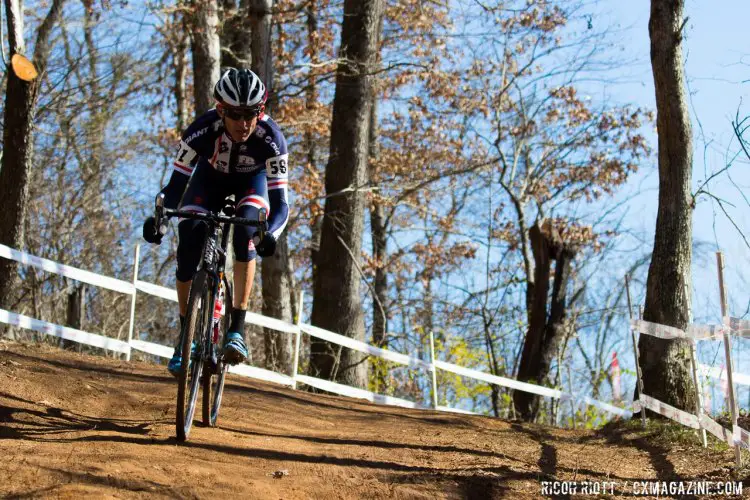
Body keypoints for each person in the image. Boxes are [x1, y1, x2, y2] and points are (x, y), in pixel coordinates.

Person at [142, 68, 290, 376]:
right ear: (221, 110)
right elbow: (174, 188)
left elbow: (280, 205)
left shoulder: (272, 139)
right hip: (207, 183)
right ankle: (186, 335)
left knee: (248, 231)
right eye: (236, 114)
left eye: (252, 113)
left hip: (252, 184)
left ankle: (237, 328)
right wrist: (160, 220)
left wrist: (269, 234)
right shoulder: (201, 129)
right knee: (188, 242)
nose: (244, 123)